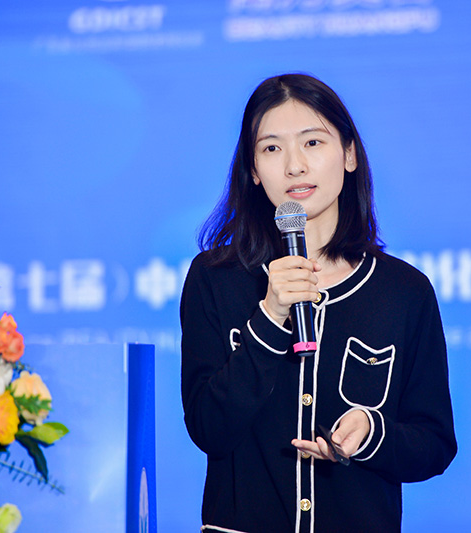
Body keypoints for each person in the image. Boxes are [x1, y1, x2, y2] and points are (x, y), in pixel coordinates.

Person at [181, 73, 456, 533]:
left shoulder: (404, 291)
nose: (294, 166)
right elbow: (209, 429)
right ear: (253, 170)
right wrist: (270, 317)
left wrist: (371, 433)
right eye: (272, 148)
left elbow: (434, 445)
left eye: (312, 143)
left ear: (349, 154)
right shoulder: (215, 278)